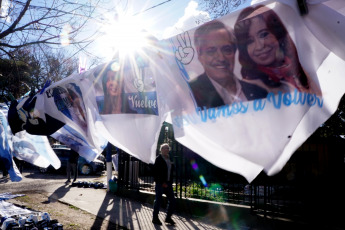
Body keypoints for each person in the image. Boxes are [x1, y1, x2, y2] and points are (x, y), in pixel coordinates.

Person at [234, 5, 321, 95]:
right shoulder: (250, 86)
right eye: (250, 41)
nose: (259, 46)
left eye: (264, 35)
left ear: (277, 33)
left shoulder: (301, 65)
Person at [190, 20, 268, 109]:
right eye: (211, 51)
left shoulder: (259, 91)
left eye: (227, 49)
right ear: (200, 56)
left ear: (234, 52)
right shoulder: (190, 94)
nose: (221, 58)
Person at [152, 143, 176, 225]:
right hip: (160, 184)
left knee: (172, 200)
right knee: (158, 201)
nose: (167, 150)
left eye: (168, 148)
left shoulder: (170, 158)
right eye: (165, 148)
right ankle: (155, 218)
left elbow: (172, 170)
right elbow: (156, 172)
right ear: (161, 149)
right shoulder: (158, 159)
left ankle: (168, 218)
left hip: (168, 183)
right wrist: (162, 182)